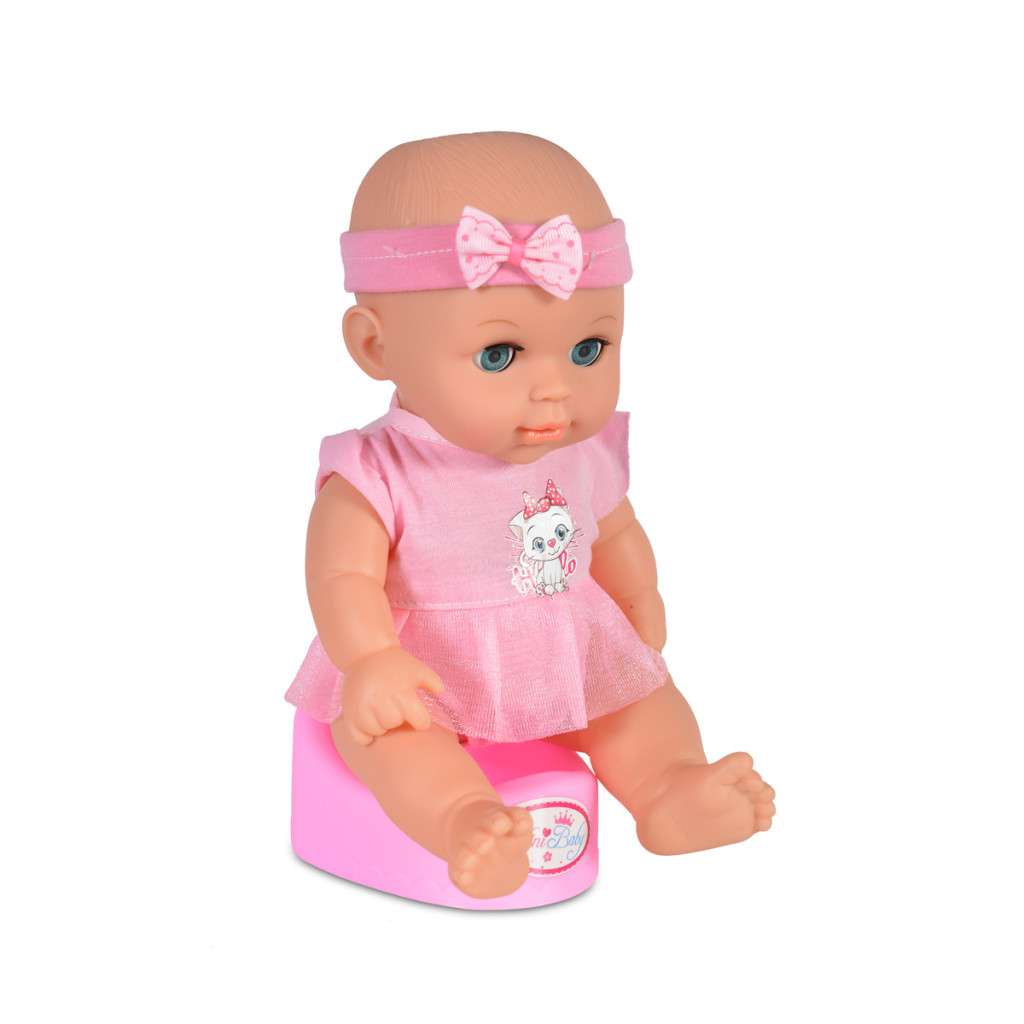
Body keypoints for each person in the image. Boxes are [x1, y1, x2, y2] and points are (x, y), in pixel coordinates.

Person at [286, 132, 775, 899]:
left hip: (561, 652)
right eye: (500, 356)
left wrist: (639, 596)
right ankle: (466, 821)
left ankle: (670, 789)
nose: (555, 390)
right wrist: (371, 659)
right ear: (377, 346)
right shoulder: (376, 469)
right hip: (424, 672)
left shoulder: (579, 449)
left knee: (639, 702)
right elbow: (340, 574)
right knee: (392, 739)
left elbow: (614, 527)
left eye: (588, 349)